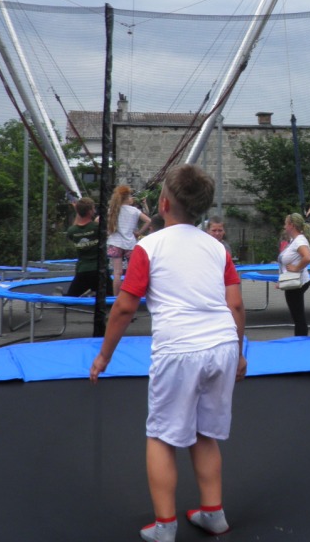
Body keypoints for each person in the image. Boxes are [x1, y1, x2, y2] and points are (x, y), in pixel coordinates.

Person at [89, 164, 246, 542]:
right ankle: (213, 514)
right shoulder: (217, 248)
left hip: (179, 350)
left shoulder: (149, 247)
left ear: (162, 204)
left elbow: (124, 308)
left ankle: (165, 526)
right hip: (222, 345)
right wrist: (240, 353)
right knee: (205, 434)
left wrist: (104, 355)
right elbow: (236, 305)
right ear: (202, 208)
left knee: (161, 436)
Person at [106, 185, 152, 295]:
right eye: (130, 196)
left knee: (117, 273)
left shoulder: (113, 210)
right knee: (131, 272)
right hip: (130, 244)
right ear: (126, 198)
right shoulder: (134, 211)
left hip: (115, 243)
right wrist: (139, 233)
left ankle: (116, 296)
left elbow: (98, 220)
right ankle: (129, 295)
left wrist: (108, 230)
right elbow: (148, 221)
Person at [278, 213, 310, 336]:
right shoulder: (294, 240)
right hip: (292, 281)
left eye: (285, 224)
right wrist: (282, 280)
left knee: (298, 316)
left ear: (291, 225)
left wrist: (296, 268)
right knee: (297, 315)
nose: (284, 226)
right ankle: (300, 338)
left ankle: (301, 339)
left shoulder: (299, 241)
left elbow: (308, 257)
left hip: (297, 282)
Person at [65, 197, 101, 298]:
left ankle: (90, 291)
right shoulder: (96, 227)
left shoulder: (72, 231)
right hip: (99, 269)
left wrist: (77, 211)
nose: (95, 210)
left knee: (70, 298)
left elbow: (73, 230)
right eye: (93, 208)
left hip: (83, 270)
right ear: (90, 211)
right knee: (110, 298)